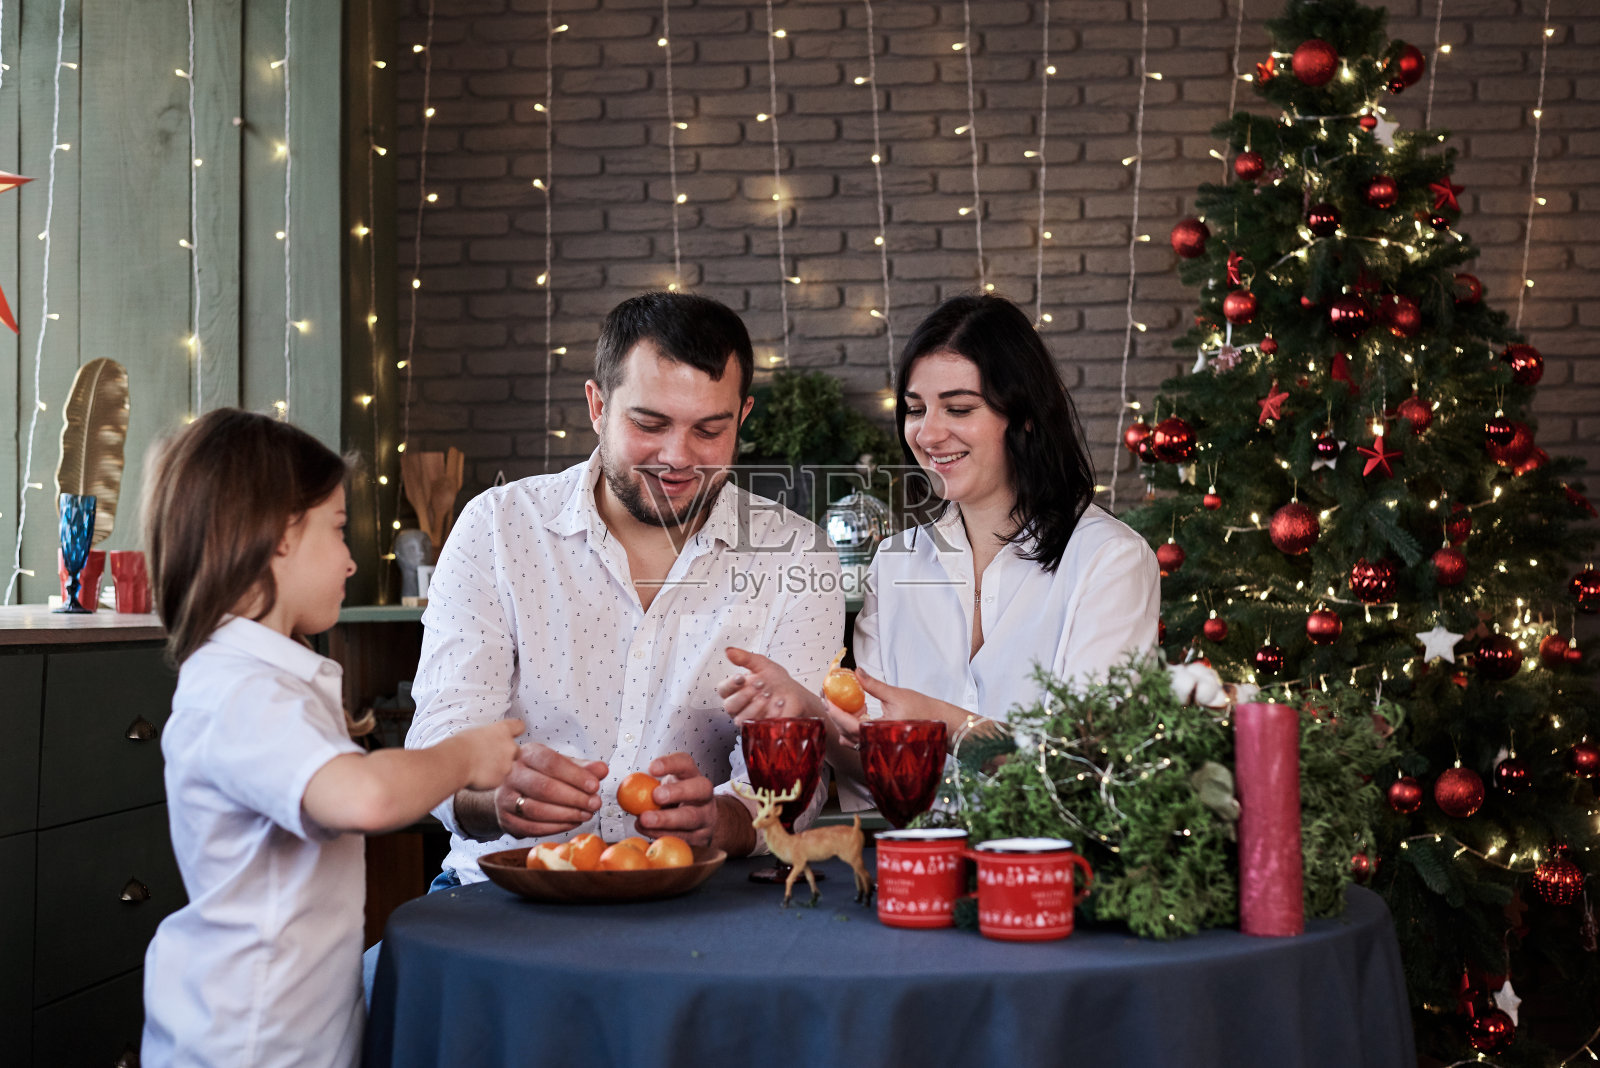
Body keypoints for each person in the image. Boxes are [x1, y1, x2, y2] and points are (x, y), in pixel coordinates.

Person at [404, 291, 843, 886]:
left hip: (704, 897)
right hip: (501, 889)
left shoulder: (796, 553)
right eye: (649, 423)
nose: (677, 457)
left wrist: (725, 819)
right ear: (597, 405)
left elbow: (800, 779)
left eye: (709, 430)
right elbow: (440, 736)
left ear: (741, 417)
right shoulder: (498, 527)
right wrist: (492, 797)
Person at [139, 410, 522, 1068]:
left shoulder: (269, 678)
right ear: (278, 533)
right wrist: (466, 755)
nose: (350, 560)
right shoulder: (239, 693)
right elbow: (364, 798)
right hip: (247, 1045)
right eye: (339, 530)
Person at [720, 294, 1161, 800]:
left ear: (1024, 417)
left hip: (1048, 870)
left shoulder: (1111, 561)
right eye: (914, 409)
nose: (928, 433)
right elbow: (872, 767)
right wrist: (807, 711)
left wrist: (946, 725)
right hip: (913, 867)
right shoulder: (894, 563)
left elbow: (1088, 771)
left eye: (959, 408)